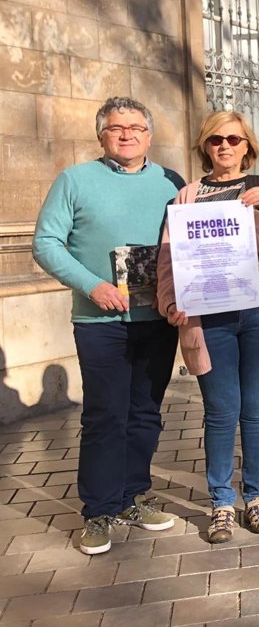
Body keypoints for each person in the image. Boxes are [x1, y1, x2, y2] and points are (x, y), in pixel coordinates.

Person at [33, 96, 184, 555]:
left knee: (145, 413)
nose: (127, 135)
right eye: (116, 128)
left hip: (157, 320)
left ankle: (132, 496)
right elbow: (46, 242)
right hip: (100, 321)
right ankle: (98, 511)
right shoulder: (75, 180)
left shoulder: (171, 183)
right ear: (101, 135)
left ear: (149, 136)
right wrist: (92, 286)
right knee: (105, 416)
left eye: (136, 128)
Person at [157, 111, 259, 543]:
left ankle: (255, 497)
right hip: (208, 316)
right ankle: (220, 501)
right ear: (205, 145)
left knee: (255, 409)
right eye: (216, 139)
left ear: (247, 146)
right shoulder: (188, 195)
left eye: (234, 139)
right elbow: (168, 256)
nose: (225, 147)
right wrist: (170, 301)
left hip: (257, 313)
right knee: (220, 411)